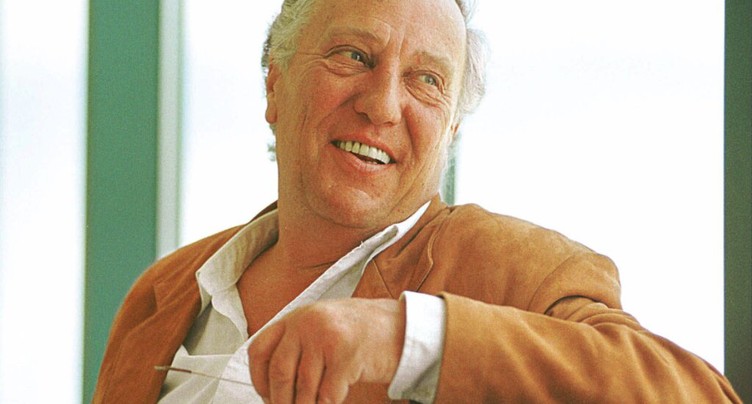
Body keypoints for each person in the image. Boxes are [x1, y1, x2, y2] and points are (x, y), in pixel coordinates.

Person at [93, 0, 741, 402]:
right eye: (354, 56)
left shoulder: (515, 270)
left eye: (426, 80)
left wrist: (407, 339)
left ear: (451, 129)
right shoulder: (165, 292)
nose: (382, 106)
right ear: (275, 86)